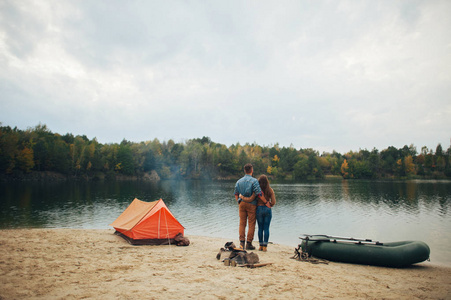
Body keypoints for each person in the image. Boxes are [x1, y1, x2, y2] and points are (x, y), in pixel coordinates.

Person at [234, 163, 271, 250]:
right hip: (252, 205)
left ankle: (241, 243)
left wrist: (238, 202)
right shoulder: (254, 181)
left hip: (242, 204)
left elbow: (236, 194)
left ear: (244, 171)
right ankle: (249, 243)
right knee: (251, 224)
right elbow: (259, 194)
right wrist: (266, 202)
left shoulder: (239, 181)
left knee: (242, 223)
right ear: (252, 170)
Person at [240, 175, 276, 252]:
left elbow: (252, 199)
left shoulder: (257, 191)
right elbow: (273, 202)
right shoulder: (270, 190)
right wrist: (270, 204)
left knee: (260, 228)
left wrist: (242, 198)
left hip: (259, 209)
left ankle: (260, 245)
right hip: (267, 210)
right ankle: (265, 246)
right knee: (266, 228)